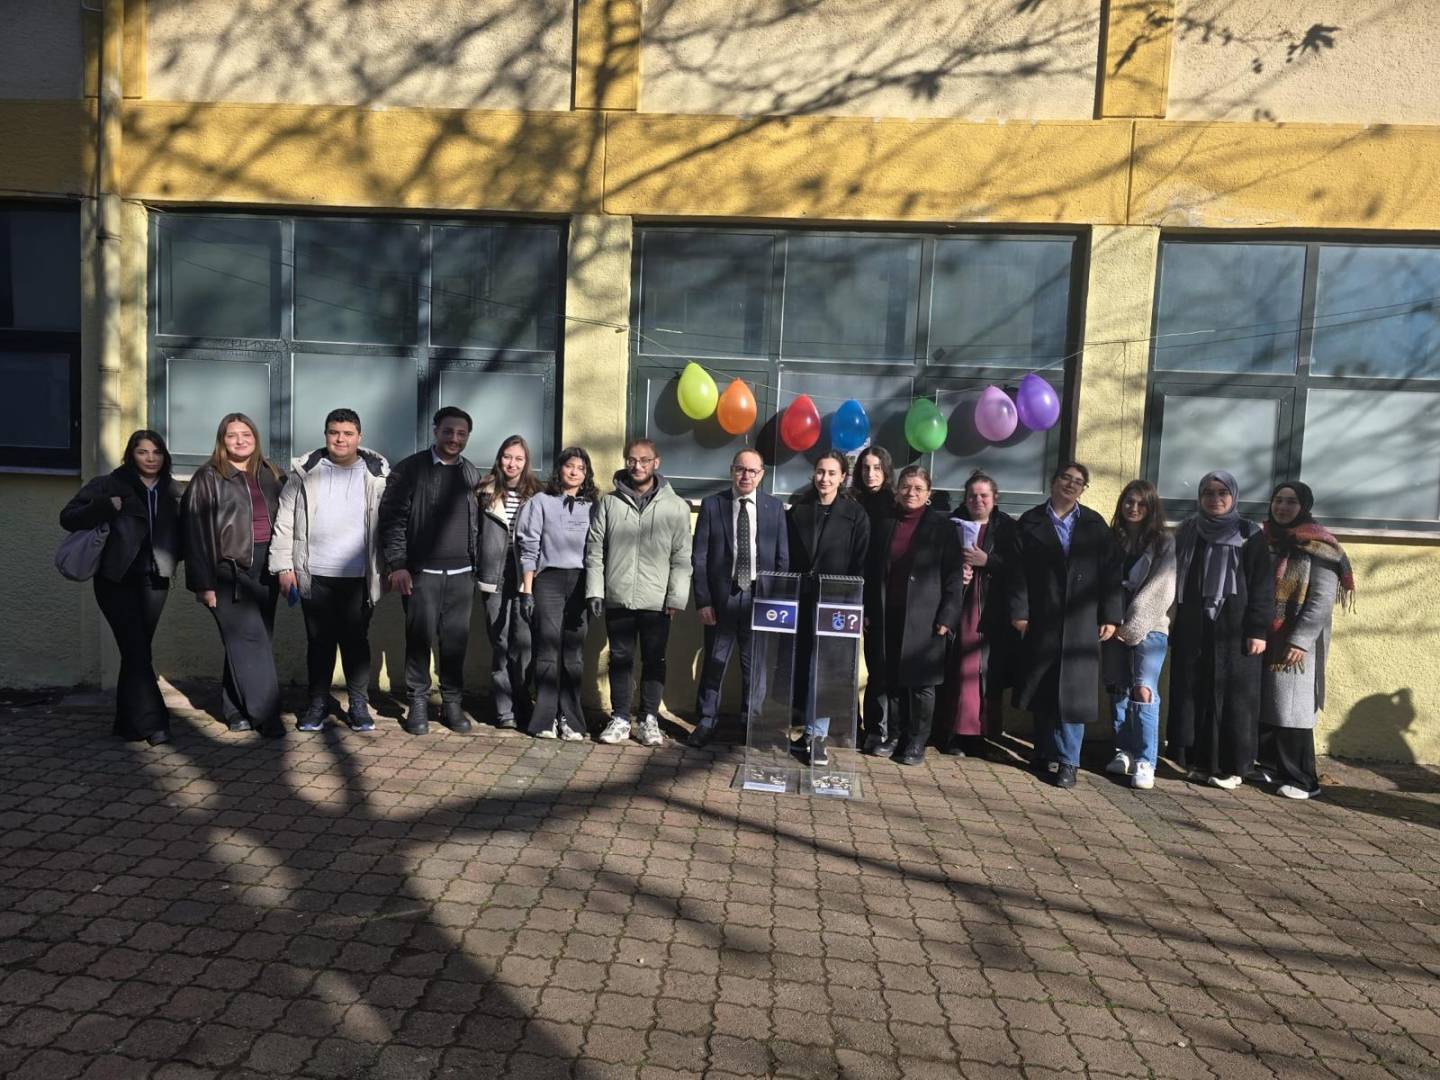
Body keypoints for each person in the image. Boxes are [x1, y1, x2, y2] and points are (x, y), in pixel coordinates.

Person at [59, 429, 183, 746]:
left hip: (155, 580)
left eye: (156, 452)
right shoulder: (108, 484)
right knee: (136, 648)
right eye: (143, 452)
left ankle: (127, 724)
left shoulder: (172, 489)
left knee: (136, 651)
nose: (151, 458)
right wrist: (104, 506)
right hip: (116, 580)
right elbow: (68, 517)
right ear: (131, 455)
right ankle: (155, 723)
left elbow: (183, 532)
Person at [269, 408, 389, 734]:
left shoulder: (377, 475)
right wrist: (283, 567)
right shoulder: (304, 472)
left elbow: (389, 525)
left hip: (360, 576)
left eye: (348, 433)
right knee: (319, 642)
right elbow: (285, 522)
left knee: (355, 642)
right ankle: (318, 704)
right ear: (326, 435)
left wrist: (390, 567)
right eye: (334, 432)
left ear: (359, 437)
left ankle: (358, 704)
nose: (340, 439)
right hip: (314, 573)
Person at [1009, 462, 1123, 789]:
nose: (1071, 485)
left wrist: (1111, 615)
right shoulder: (1030, 522)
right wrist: (1019, 611)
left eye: (1078, 482)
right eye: (1065, 478)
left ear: (1083, 489)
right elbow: (1017, 573)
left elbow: (1111, 573)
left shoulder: (1095, 525)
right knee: (1043, 686)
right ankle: (1044, 752)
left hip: (1082, 620)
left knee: (1073, 694)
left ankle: (1069, 761)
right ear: (1054, 481)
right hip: (1042, 616)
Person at [378, 407, 482, 736]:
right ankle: (418, 702)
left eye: (461, 434)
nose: (454, 438)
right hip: (421, 573)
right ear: (435, 431)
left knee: (455, 642)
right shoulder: (411, 469)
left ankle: (452, 703)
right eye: (448, 431)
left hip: (462, 573)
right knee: (419, 640)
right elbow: (392, 520)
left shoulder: (470, 472)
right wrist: (398, 565)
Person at [182, 413, 286, 738]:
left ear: (255, 438)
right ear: (222, 441)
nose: (240, 441)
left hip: (266, 568)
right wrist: (203, 583)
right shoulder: (208, 477)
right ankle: (265, 714)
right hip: (228, 572)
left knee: (250, 641)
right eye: (232, 435)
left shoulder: (271, 473)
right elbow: (195, 533)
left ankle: (235, 710)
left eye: (246, 434)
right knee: (250, 639)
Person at [1168, 470, 1273, 789]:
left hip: (1235, 628)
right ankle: (1199, 762)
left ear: (1234, 496)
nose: (1215, 499)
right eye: (1208, 493)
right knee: (1195, 692)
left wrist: (1258, 630)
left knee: (1234, 698)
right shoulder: (1188, 530)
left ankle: (1232, 766)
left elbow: (1262, 585)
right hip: (1194, 624)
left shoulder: (1249, 533)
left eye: (1222, 493)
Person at [588, 439, 693, 748]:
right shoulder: (609, 503)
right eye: (632, 460)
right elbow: (595, 549)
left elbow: (682, 556)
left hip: (657, 600)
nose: (637, 466)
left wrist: (676, 597)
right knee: (620, 658)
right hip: (618, 594)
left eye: (644, 460)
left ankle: (648, 718)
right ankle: (620, 718)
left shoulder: (676, 506)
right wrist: (595, 590)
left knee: (654, 659)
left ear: (656, 463)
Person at [1258, 481, 1355, 800]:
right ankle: (1271, 766)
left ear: (1304, 506)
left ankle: (1303, 780)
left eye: (1291, 502)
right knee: (1270, 706)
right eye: (1278, 500)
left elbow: (1321, 600)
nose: (1283, 507)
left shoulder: (1319, 545)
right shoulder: (1267, 538)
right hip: (1268, 636)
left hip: (1297, 642)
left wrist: (1299, 641)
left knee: (1292, 710)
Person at [863, 465, 965, 765]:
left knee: (921, 684)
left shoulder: (943, 528)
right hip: (888, 615)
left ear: (928, 493)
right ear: (897, 490)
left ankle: (917, 741)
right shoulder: (885, 524)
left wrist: (947, 617)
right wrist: (868, 609)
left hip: (927, 618)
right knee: (892, 678)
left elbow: (953, 577)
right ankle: (894, 735)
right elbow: (872, 571)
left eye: (918, 488)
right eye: (906, 487)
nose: (911, 493)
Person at [688, 447, 789, 749]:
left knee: (755, 665)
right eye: (740, 469)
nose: (746, 476)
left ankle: (750, 724)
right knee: (715, 661)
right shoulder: (713, 505)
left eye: (752, 471)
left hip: (760, 597)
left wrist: (775, 602)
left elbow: (782, 559)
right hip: (724, 597)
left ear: (762, 474)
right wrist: (703, 600)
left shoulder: (774, 508)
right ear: (732, 471)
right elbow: (699, 557)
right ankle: (707, 721)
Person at [787, 451, 870, 766]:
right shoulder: (799, 510)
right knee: (804, 667)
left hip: (836, 604)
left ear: (842, 478)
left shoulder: (855, 515)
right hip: (802, 600)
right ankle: (805, 732)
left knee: (826, 670)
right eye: (820, 472)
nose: (825, 479)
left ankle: (817, 736)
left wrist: (854, 605)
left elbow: (861, 563)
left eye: (832, 473)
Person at [516, 447, 599, 740]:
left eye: (581, 468)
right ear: (559, 469)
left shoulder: (594, 507)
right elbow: (529, 546)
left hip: (581, 583)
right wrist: (527, 591)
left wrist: (596, 590)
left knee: (573, 655)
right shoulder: (541, 502)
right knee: (547, 651)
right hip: (548, 581)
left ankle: (571, 720)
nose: (574, 472)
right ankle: (544, 719)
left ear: (586, 474)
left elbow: (599, 550)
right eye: (569, 466)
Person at [938, 469, 1019, 759]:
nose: (978, 500)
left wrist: (988, 561)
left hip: (991, 610)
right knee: (959, 669)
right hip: (959, 606)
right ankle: (954, 732)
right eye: (972, 495)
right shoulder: (950, 525)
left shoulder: (1007, 528)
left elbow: (1019, 568)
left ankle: (981, 734)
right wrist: (954, 573)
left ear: (995, 498)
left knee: (985, 673)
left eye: (984, 495)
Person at [1100, 480, 1176, 790]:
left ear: (1151, 508)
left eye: (1141, 504)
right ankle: (1124, 751)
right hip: (1112, 625)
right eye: (1129, 502)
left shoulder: (1163, 542)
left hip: (1149, 626)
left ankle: (1146, 761)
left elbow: (1161, 589)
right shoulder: (1112, 538)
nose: (1133, 508)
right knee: (1117, 687)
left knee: (1143, 690)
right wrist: (1110, 620)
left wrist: (1130, 627)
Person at [476, 435, 542, 731]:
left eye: (518, 458)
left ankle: (522, 700)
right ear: (499, 458)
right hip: (494, 574)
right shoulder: (484, 491)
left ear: (526, 462)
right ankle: (504, 709)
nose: (512, 463)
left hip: (526, 574)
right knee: (500, 641)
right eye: (507, 457)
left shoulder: (537, 494)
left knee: (524, 642)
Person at [850, 445, 894, 747]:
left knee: (878, 667)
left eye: (877, 468)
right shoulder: (851, 501)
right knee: (845, 663)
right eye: (866, 467)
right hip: (849, 590)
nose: (871, 474)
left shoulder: (894, 505)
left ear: (887, 471)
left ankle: (877, 728)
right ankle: (849, 723)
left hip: (880, 597)